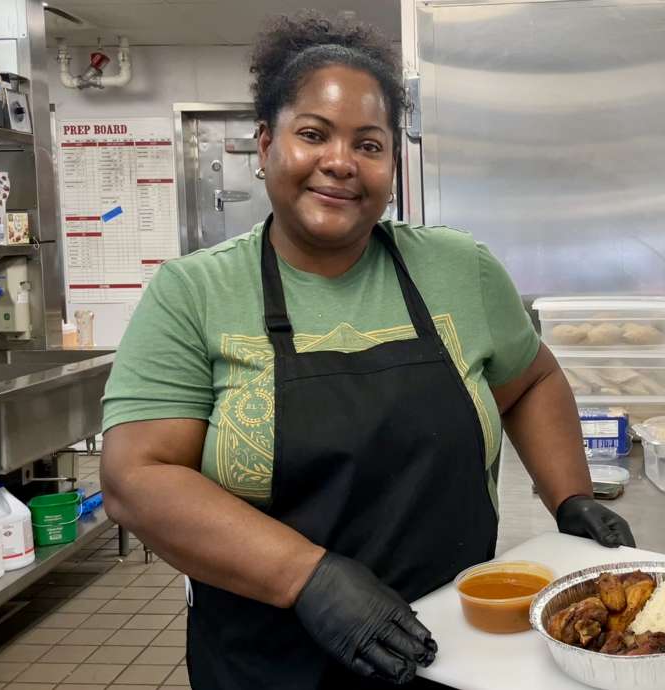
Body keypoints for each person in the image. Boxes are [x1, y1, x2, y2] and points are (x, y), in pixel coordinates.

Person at [100, 11, 635, 689]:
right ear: (266, 144)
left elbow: (531, 382)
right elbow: (135, 478)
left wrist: (569, 499)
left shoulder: (458, 269)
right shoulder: (193, 293)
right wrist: (307, 577)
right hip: (266, 662)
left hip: (451, 654)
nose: (341, 162)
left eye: (369, 143)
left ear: (391, 164)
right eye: (313, 134)